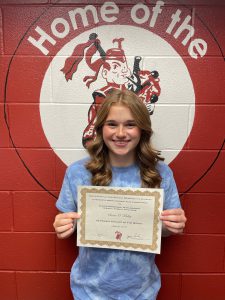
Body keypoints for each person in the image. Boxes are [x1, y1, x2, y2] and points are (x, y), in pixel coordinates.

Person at [53, 88, 187, 300]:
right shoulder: (78, 173)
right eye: (112, 124)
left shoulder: (160, 174)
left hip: (142, 292)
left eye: (130, 124)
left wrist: (173, 225)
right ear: (100, 128)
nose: (121, 133)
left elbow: (165, 232)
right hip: (88, 291)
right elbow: (66, 222)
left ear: (142, 129)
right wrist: (62, 224)